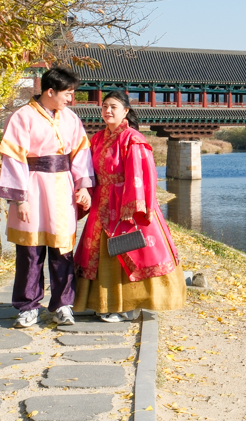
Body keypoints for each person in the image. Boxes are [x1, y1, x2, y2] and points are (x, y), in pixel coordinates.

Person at [74, 90, 184, 321]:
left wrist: (132, 209)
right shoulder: (96, 139)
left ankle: (128, 306)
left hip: (127, 203)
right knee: (98, 254)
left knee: (128, 252)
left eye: (113, 106)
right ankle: (102, 301)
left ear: (126, 111)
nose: (107, 111)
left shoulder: (133, 139)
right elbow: (90, 172)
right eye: (104, 106)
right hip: (101, 202)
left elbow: (141, 176)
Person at [0, 67, 94, 328]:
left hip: (62, 188)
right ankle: (28, 306)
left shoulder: (71, 119)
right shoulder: (22, 117)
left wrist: (83, 186)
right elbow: (14, 159)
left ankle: (63, 305)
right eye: (68, 93)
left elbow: (81, 154)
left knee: (62, 249)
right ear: (50, 92)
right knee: (29, 250)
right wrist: (20, 199)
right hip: (32, 186)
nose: (71, 99)